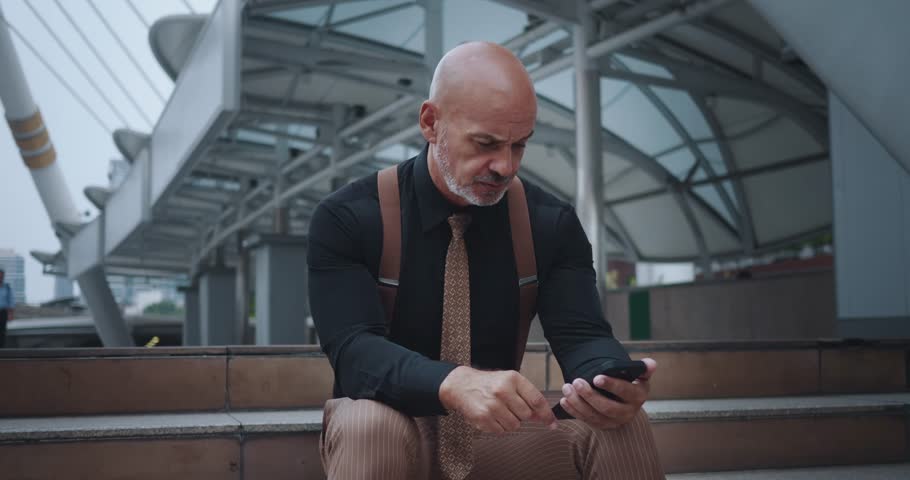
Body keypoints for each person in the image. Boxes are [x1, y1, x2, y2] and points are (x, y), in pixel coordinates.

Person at [308, 41, 664, 479]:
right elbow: (354, 353)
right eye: (486, 143)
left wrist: (607, 381)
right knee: (368, 424)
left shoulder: (548, 224)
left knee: (620, 425)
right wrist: (453, 382)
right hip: (391, 426)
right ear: (430, 122)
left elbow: (582, 333)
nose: (505, 166)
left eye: (519, 146)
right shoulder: (348, 217)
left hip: (497, 435)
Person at [0, 268, 14, 348]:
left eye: (1, 276)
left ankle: (1, 349)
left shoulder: (7, 288)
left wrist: (10, 314)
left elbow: (11, 302)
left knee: (2, 331)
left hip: (3, 312)